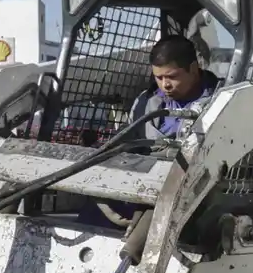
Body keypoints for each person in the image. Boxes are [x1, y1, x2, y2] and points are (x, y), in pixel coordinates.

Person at [77, 35, 221, 228]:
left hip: (188, 195)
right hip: (139, 186)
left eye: (172, 77)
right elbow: (126, 142)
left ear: (193, 69)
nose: (165, 85)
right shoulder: (146, 103)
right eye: (159, 77)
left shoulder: (220, 104)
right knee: (94, 211)